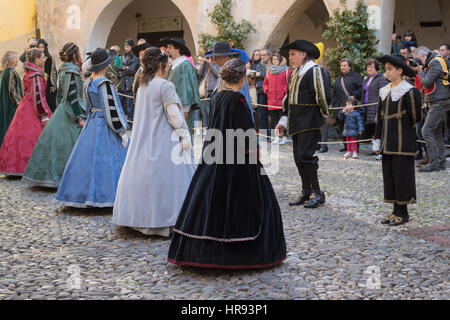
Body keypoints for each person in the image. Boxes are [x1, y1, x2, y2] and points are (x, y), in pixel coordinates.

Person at [167, 58, 286, 269]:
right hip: (237, 160)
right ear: (241, 78)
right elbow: (246, 133)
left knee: (208, 201)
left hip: (215, 156)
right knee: (252, 205)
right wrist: (253, 155)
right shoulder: (237, 101)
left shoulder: (216, 97)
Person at [113, 47, 196, 237]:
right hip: (163, 138)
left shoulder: (143, 84)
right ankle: (166, 219)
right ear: (161, 65)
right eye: (166, 64)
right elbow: (175, 115)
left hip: (142, 137)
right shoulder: (164, 86)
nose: (167, 67)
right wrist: (184, 137)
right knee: (168, 179)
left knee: (144, 175)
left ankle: (140, 218)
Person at [55, 48, 129, 208]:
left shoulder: (88, 82)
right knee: (106, 162)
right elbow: (111, 110)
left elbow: (88, 107)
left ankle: (82, 194)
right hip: (104, 125)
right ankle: (106, 196)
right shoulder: (105, 84)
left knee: (86, 161)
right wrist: (121, 130)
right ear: (106, 65)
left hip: (92, 123)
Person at [275, 39, 331, 209]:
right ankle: (306, 191)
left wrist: (322, 115)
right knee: (298, 158)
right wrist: (284, 119)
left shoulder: (314, 71)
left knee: (306, 156)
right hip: (296, 120)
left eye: (293, 54)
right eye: (290, 55)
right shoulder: (295, 72)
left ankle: (317, 192)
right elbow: (289, 98)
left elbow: (322, 95)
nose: (290, 58)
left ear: (303, 55)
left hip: (309, 120)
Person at [22, 43, 86, 188]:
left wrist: (58, 108)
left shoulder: (63, 69)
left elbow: (59, 93)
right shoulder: (71, 71)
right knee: (68, 145)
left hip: (62, 108)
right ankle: (67, 177)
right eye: (78, 52)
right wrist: (79, 116)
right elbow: (72, 96)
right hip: (71, 111)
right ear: (74, 54)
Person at [373, 54, 422, 226]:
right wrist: (377, 139)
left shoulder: (409, 91)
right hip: (388, 141)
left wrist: (399, 125)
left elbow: (416, 116)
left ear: (400, 71)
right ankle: (395, 210)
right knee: (390, 176)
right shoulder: (384, 91)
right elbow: (379, 117)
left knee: (403, 177)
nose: (387, 72)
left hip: (403, 142)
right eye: (386, 69)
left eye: (390, 69)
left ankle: (403, 212)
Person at [0, 48, 52, 176]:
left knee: (18, 137)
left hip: (24, 106)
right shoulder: (35, 74)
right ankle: (28, 168)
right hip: (32, 108)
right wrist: (44, 114)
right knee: (32, 138)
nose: (44, 59)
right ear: (36, 59)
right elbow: (38, 96)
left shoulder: (29, 72)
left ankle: (14, 167)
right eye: (42, 57)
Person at [411, 46, 450, 172]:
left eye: (418, 59)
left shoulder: (435, 62)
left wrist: (420, 71)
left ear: (424, 56)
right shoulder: (433, 62)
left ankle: (434, 162)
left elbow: (427, 83)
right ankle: (441, 162)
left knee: (426, 131)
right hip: (437, 101)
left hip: (440, 102)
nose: (418, 62)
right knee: (436, 132)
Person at [161, 37, 200, 139]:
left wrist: (186, 109)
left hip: (183, 109)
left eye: (170, 47)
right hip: (174, 108)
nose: (167, 50)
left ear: (177, 49)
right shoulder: (173, 65)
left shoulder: (185, 65)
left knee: (184, 137)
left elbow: (188, 89)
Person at [210, 41, 254, 122]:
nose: (214, 59)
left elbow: (243, 100)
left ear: (226, 56)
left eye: (216, 56)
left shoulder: (236, 72)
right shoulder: (223, 71)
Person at [331, 58, 363, 150]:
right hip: (341, 108)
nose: (343, 67)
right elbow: (335, 94)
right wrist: (336, 108)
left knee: (353, 128)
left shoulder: (356, 76)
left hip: (352, 108)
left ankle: (355, 147)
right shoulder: (338, 79)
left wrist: (354, 96)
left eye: (345, 65)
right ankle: (346, 147)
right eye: (341, 66)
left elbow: (361, 89)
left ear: (349, 67)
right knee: (343, 128)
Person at [263, 53, 291, 145]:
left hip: (282, 99)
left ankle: (284, 137)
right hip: (271, 99)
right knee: (274, 119)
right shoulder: (269, 71)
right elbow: (265, 83)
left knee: (282, 119)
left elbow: (289, 83)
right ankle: (276, 137)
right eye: (273, 59)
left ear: (280, 60)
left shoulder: (286, 71)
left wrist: (284, 91)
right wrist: (267, 90)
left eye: (276, 59)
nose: (274, 61)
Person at [361, 59, 388, 145]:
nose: (369, 69)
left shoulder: (381, 79)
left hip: (375, 107)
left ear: (376, 68)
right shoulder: (367, 79)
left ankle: (377, 149)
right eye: (368, 67)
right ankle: (370, 147)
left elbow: (383, 93)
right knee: (369, 127)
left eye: (372, 67)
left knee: (377, 128)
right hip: (366, 107)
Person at [0, 51, 23, 146]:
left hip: (6, 103)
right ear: (10, 60)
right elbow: (12, 90)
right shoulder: (11, 72)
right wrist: (20, 103)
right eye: (15, 58)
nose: (17, 60)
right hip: (11, 105)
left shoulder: (5, 72)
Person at [118, 39, 140, 122]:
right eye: (125, 46)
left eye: (128, 46)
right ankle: (122, 121)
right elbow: (118, 68)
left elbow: (131, 70)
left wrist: (123, 68)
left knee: (129, 106)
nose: (126, 48)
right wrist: (124, 68)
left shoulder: (135, 57)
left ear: (132, 47)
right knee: (120, 105)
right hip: (122, 84)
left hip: (130, 85)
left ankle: (130, 122)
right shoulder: (122, 56)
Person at [196, 54, 220, 128]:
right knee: (204, 112)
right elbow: (199, 73)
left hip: (213, 91)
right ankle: (206, 130)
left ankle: (212, 128)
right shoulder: (205, 65)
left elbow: (217, 74)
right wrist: (204, 62)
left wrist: (210, 64)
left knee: (211, 112)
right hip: (204, 92)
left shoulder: (216, 65)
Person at [251, 48, 269, 137]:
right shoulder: (259, 64)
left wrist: (259, 74)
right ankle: (263, 134)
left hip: (266, 91)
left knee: (267, 114)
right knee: (261, 114)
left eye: (263, 55)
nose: (262, 57)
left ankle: (267, 135)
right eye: (261, 55)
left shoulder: (270, 64)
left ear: (268, 55)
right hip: (259, 90)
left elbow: (269, 74)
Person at [37, 39, 58, 112]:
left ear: (45, 48)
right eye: (39, 47)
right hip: (39, 82)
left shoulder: (49, 58)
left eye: (42, 47)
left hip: (48, 83)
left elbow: (53, 72)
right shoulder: (36, 59)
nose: (40, 49)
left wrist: (53, 85)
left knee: (48, 101)